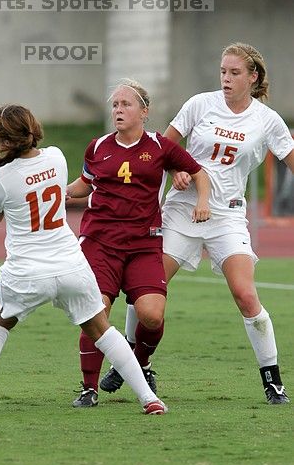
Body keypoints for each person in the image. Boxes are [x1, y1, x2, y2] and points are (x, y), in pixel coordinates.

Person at [101, 43, 294, 405]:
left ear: (253, 77)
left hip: (228, 216)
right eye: (223, 71)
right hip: (182, 211)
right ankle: (136, 361)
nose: (226, 78)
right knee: (146, 289)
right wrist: (176, 170)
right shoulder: (200, 104)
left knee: (246, 295)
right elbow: (161, 149)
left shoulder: (267, 120)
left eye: (235, 73)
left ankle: (273, 380)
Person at [0, 104, 167, 417]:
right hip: (70, 264)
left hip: (26, 270)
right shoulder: (57, 157)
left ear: (2, 139)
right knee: (103, 330)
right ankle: (148, 399)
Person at [66, 80, 211, 407]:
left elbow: (198, 172)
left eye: (125, 104)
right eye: (115, 105)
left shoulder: (161, 147)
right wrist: (59, 192)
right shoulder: (97, 146)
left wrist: (203, 200)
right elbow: (84, 184)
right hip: (100, 242)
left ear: (144, 112)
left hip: (144, 243)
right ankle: (89, 388)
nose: (118, 110)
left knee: (152, 315)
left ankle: (140, 363)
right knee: (96, 311)